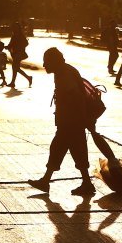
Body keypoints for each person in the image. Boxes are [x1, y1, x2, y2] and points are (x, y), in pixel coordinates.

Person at [28, 48, 95, 196]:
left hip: (71, 121)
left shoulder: (64, 73)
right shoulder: (63, 70)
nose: (44, 65)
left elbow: (75, 96)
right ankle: (84, 183)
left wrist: (81, 118)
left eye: (46, 61)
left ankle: (49, 181)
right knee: (67, 150)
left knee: (66, 149)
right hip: (70, 121)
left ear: (54, 61)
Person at [6, 21, 32, 88]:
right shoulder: (14, 35)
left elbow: (26, 43)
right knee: (16, 68)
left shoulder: (21, 35)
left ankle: (13, 82)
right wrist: (7, 47)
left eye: (16, 27)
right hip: (15, 53)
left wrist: (20, 47)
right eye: (14, 27)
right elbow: (11, 43)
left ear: (18, 28)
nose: (15, 28)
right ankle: (28, 78)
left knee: (15, 67)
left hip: (19, 54)